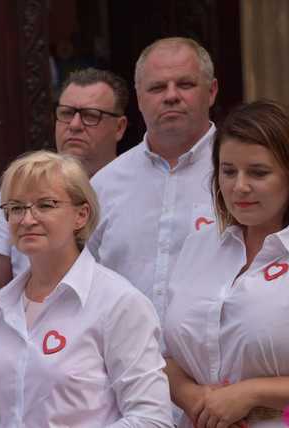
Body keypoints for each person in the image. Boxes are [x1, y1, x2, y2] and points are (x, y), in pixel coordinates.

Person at [164, 100, 289, 428]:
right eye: (228, 171)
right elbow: (167, 356)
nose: (239, 186)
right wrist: (196, 400)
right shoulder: (199, 244)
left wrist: (252, 393)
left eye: (258, 172)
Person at [0, 151, 173, 427]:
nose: (27, 219)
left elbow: (153, 419)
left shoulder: (118, 303)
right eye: (16, 208)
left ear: (81, 215)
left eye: (45, 205)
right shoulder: (2, 305)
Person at [88, 37, 218, 320]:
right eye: (157, 87)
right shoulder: (105, 184)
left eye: (185, 84)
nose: (171, 96)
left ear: (212, 91)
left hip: (220, 361)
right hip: (122, 360)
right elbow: (82, 281)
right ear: (139, 99)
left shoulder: (241, 174)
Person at [0, 68, 128, 294]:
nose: (75, 125)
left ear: (119, 127)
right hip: (30, 322)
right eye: (66, 113)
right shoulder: (18, 191)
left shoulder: (135, 189)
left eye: (90, 115)